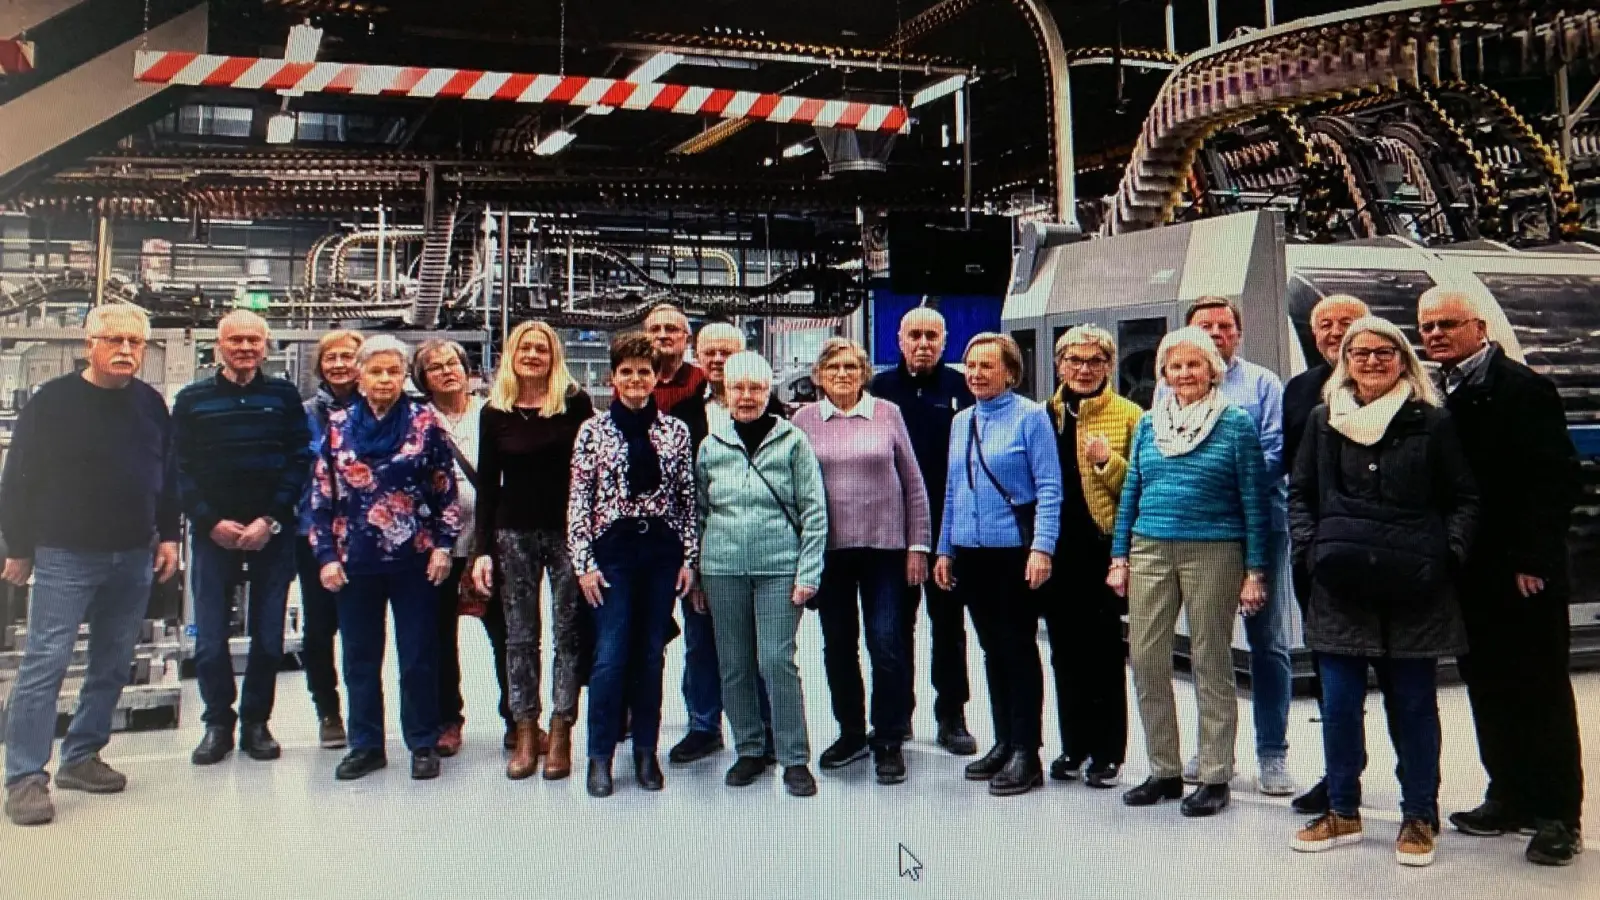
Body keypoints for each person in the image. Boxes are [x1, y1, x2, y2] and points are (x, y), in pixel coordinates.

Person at [1286, 317, 1477, 868]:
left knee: (1414, 706)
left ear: (1402, 360)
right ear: (1344, 360)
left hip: (1414, 588)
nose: (1371, 361)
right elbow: (1300, 494)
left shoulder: (1431, 424)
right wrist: (1312, 549)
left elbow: (1464, 497)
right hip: (1342, 585)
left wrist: (1448, 554)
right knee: (1341, 705)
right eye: (1360, 352)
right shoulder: (1324, 422)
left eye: (1383, 352)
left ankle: (1419, 815)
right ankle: (1342, 810)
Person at [1418, 289, 1586, 866]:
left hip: (1521, 572)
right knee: (1487, 685)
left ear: (1479, 326)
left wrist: (1534, 561)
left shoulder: (1523, 389)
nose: (1435, 335)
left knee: (1538, 690)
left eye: (1446, 324)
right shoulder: (1440, 390)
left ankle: (1560, 814)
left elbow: (1555, 480)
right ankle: (1508, 794)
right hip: (1471, 572)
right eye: (1426, 326)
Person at [0, 305, 181, 827]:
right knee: (45, 663)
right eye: (114, 340)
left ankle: (81, 756)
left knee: (113, 660)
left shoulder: (150, 404)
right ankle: (25, 776)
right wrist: (18, 545)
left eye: (135, 342)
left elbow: (167, 475)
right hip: (64, 554)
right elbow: (18, 477)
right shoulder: (51, 402)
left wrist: (168, 534)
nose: (126, 350)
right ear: (89, 343)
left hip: (132, 554)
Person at [1112, 326, 1271, 817]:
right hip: (1150, 547)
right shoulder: (1147, 425)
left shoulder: (1236, 423)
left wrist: (1255, 570)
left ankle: (1215, 775)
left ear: (1213, 370)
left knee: (1210, 660)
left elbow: (1254, 500)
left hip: (1215, 552)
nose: (1184, 373)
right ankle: (1163, 768)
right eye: (1175, 366)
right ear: (1163, 373)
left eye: (1194, 364)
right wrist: (1120, 558)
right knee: (1147, 657)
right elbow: (1131, 492)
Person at [1156, 296, 1294, 796]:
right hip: (1201, 534)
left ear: (1238, 332)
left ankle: (1272, 753)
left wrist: (1230, 489)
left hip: (1259, 524)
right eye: (1204, 326)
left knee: (1268, 642)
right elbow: (1165, 451)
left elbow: (1276, 450)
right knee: (1208, 646)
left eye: (1224, 325)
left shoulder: (1262, 385)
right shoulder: (1169, 387)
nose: (1215, 333)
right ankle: (1215, 750)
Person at [311, 335, 460, 782]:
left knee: (418, 654)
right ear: (359, 375)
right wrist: (325, 555)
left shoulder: (424, 421)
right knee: (360, 655)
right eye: (375, 371)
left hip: (414, 559)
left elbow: (443, 485)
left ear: (403, 376)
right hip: (355, 560)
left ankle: (422, 740)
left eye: (393, 371)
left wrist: (443, 543)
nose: (384, 379)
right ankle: (366, 744)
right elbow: (322, 494)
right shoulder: (337, 426)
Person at [173, 310, 312, 766]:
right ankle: (217, 722)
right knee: (210, 639)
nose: (245, 347)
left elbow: (299, 458)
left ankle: (256, 722)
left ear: (266, 346)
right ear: (219, 346)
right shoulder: (192, 399)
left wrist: (270, 519)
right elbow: (179, 467)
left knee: (269, 638)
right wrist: (209, 520)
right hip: (213, 533)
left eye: (254, 340)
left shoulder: (283, 395)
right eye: (236, 340)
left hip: (271, 532)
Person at [567, 332, 699, 798]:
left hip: (660, 552)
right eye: (627, 372)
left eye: (645, 371)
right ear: (613, 378)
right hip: (612, 554)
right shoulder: (593, 431)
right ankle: (600, 754)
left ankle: (646, 750)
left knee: (650, 654)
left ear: (656, 377)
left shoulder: (675, 432)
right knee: (610, 656)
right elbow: (579, 502)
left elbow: (686, 501)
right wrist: (583, 563)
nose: (636, 379)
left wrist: (688, 558)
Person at [794, 338, 930, 785]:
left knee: (887, 642)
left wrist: (918, 545)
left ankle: (888, 737)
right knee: (838, 646)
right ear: (818, 375)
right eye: (833, 367)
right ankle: (851, 731)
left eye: (852, 366)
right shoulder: (805, 420)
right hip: (830, 552)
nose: (843, 374)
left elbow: (913, 482)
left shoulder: (887, 413)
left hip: (886, 551)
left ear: (865, 371)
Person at [932, 333, 1062, 797]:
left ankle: (1027, 751)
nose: (976, 373)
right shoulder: (961, 421)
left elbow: (1049, 488)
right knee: (990, 650)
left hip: (1014, 554)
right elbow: (952, 490)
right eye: (970, 364)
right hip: (970, 552)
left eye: (987, 365)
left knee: (1019, 650)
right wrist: (944, 549)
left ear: (1010, 372)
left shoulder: (1032, 418)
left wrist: (1042, 548)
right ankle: (1004, 740)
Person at [696, 351, 828, 798]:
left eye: (756, 388)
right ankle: (750, 749)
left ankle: (794, 757)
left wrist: (808, 572)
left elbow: (814, 510)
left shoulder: (792, 442)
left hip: (779, 568)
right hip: (722, 569)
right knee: (733, 665)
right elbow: (698, 513)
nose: (747, 397)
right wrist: (697, 574)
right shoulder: (712, 445)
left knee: (775, 660)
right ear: (726, 393)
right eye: (738, 389)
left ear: (768, 391)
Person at [471, 320, 595, 781]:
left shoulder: (575, 402)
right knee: (519, 637)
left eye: (541, 348)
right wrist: (482, 549)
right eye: (525, 348)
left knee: (568, 633)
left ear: (553, 355)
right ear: (512, 355)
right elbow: (487, 485)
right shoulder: (494, 411)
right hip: (513, 533)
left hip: (567, 531)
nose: (533, 355)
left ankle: (561, 728)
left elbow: (590, 471)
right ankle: (526, 728)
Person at [1279, 295, 1385, 817]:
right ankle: (1339, 776)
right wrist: (1307, 543)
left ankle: (1418, 793)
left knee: (1401, 679)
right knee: (1332, 678)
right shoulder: (1299, 390)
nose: (1336, 331)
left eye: (1348, 322)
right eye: (1326, 324)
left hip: (1389, 555)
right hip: (1321, 555)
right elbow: (1292, 476)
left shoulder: (1398, 393)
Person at [663, 321, 777, 766]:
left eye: (726, 352)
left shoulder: (774, 413)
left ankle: (763, 730)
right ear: (697, 354)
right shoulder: (679, 412)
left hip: (758, 547)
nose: (717, 360)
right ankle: (704, 725)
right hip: (701, 542)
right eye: (708, 352)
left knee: (756, 644)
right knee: (700, 640)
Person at [870, 306, 979, 755]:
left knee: (949, 626)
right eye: (914, 335)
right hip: (892, 533)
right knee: (893, 628)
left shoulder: (959, 390)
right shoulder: (879, 391)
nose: (922, 344)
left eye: (932, 336)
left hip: (947, 530)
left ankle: (951, 714)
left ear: (945, 339)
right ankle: (897, 715)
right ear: (899, 339)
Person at [1043, 325, 1141, 788]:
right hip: (1056, 549)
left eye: (1095, 361)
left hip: (1102, 548)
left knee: (1103, 652)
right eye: (1075, 361)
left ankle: (1107, 752)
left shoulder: (1129, 416)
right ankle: (1073, 745)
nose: (1084, 370)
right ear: (1059, 365)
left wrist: (1106, 461)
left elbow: (1138, 488)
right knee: (1064, 651)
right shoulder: (1046, 414)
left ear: (1108, 365)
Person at [412, 339, 512, 759]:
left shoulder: (493, 412)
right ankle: (447, 719)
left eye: (453, 363)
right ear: (423, 379)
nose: (447, 371)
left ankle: (517, 716)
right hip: (436, 547)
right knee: (437, 637)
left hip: (488, 542)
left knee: (507, 634)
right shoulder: (417, 420)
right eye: (435, 367)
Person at [295, 330, 363, 752]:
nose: (339, 364)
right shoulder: (304, 414)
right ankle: (328, 711)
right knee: (319, 628)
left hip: (366, 538)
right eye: (331, 358)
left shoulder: (380, 410)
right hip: (315, 534)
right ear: (319, 366)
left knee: (360, 631)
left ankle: (363, 714)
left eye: (348, 356)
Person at [645, 303, 704, 412]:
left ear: (688, 340)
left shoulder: (701, 380)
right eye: (655, 329)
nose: (662, 336)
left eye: (671, 329)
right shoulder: (634, 380)